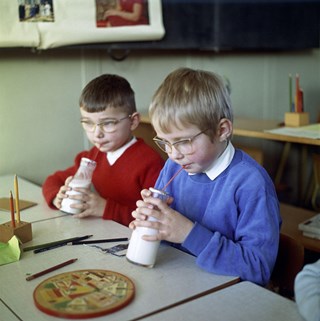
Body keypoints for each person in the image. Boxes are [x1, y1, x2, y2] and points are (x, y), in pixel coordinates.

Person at [130, 67, 281, 285]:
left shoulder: (251, 183)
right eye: (165, 142)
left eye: (183, 142)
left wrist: (189, 234)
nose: (173, 153)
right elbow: (169, 241)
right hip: (179, 284)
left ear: (222, 130)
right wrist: (152, 225)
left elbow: (258, 268)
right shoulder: (173, 167)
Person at [42, 74, 164, 226]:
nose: (97, 133)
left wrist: (106, 208)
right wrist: (56, 197)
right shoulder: (92, 157)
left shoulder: (150, 163)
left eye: (108, 123)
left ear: (133, 121)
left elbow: (156, 219)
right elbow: (53, 180)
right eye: (88, 123)